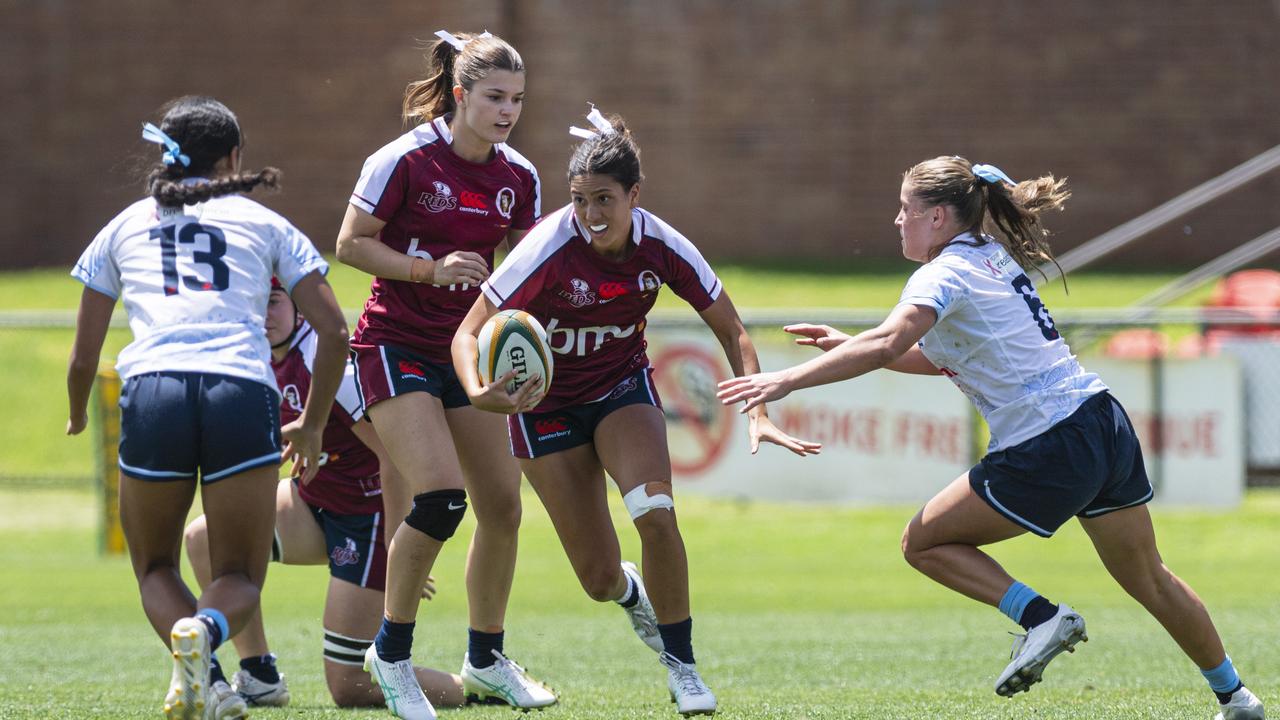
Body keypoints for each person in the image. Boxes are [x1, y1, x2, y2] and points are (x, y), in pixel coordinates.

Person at [715, 156, 1266, 720]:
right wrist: (845, 345)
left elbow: (886, 343)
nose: (895, 221)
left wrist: (783, 379)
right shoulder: (987, 256)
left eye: (905, 210)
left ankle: (1040, 618)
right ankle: (1236, 697)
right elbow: (936, 358)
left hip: (1050, 441)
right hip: (1102, 421)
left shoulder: (942, 273)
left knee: (923, 544)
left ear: (935, 217)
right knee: (1149, 576)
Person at [452, 106, 821, 717]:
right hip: (545, 408)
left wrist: (757, 405)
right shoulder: (548, 246)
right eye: (579, 200)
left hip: (623, 390)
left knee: (654, 510)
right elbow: (469, 334)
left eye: (605, 200)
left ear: (634, 196)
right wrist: (476, 389)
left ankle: (683, 667)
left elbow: (733, 329)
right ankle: (631, 594)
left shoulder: (663, 245)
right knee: (598, 580)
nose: (591, 216)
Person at [66, 96, 349, 720]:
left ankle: (208, 678)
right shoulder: (266, 225)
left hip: (155, 391)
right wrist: (316, 422)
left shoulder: (123, 225)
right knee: (240, 575)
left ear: (163, 155)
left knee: (156, 567)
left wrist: (77, 412)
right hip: (241, 393)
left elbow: (84, 359)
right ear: (235, 157)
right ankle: (209, 635)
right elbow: (334, 330)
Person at [334, 29, 551, 720]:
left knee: (504, 506)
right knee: (440, 499)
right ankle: (391, 658)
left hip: (467, 350)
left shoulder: (519, 176)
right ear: (460, 94)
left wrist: (529, 335)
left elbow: (526, 272)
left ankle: (485, 661)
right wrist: (429, 268)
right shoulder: (401, 160)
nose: (507, 110)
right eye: (493, 97)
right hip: (393, 344)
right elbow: (349, 244)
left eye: (517, 98)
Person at [183, 279, 466, 711]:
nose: (262, 315)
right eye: (253, 303)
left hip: (367, 514)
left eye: (272, 302)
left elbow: (393, 456)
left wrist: (396, 544)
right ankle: (259, 674)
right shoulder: (257, 358)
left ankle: (473, 686)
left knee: (350, 686)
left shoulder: (324, 359)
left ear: (298, 307)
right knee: (204, 538)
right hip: (313, 500)